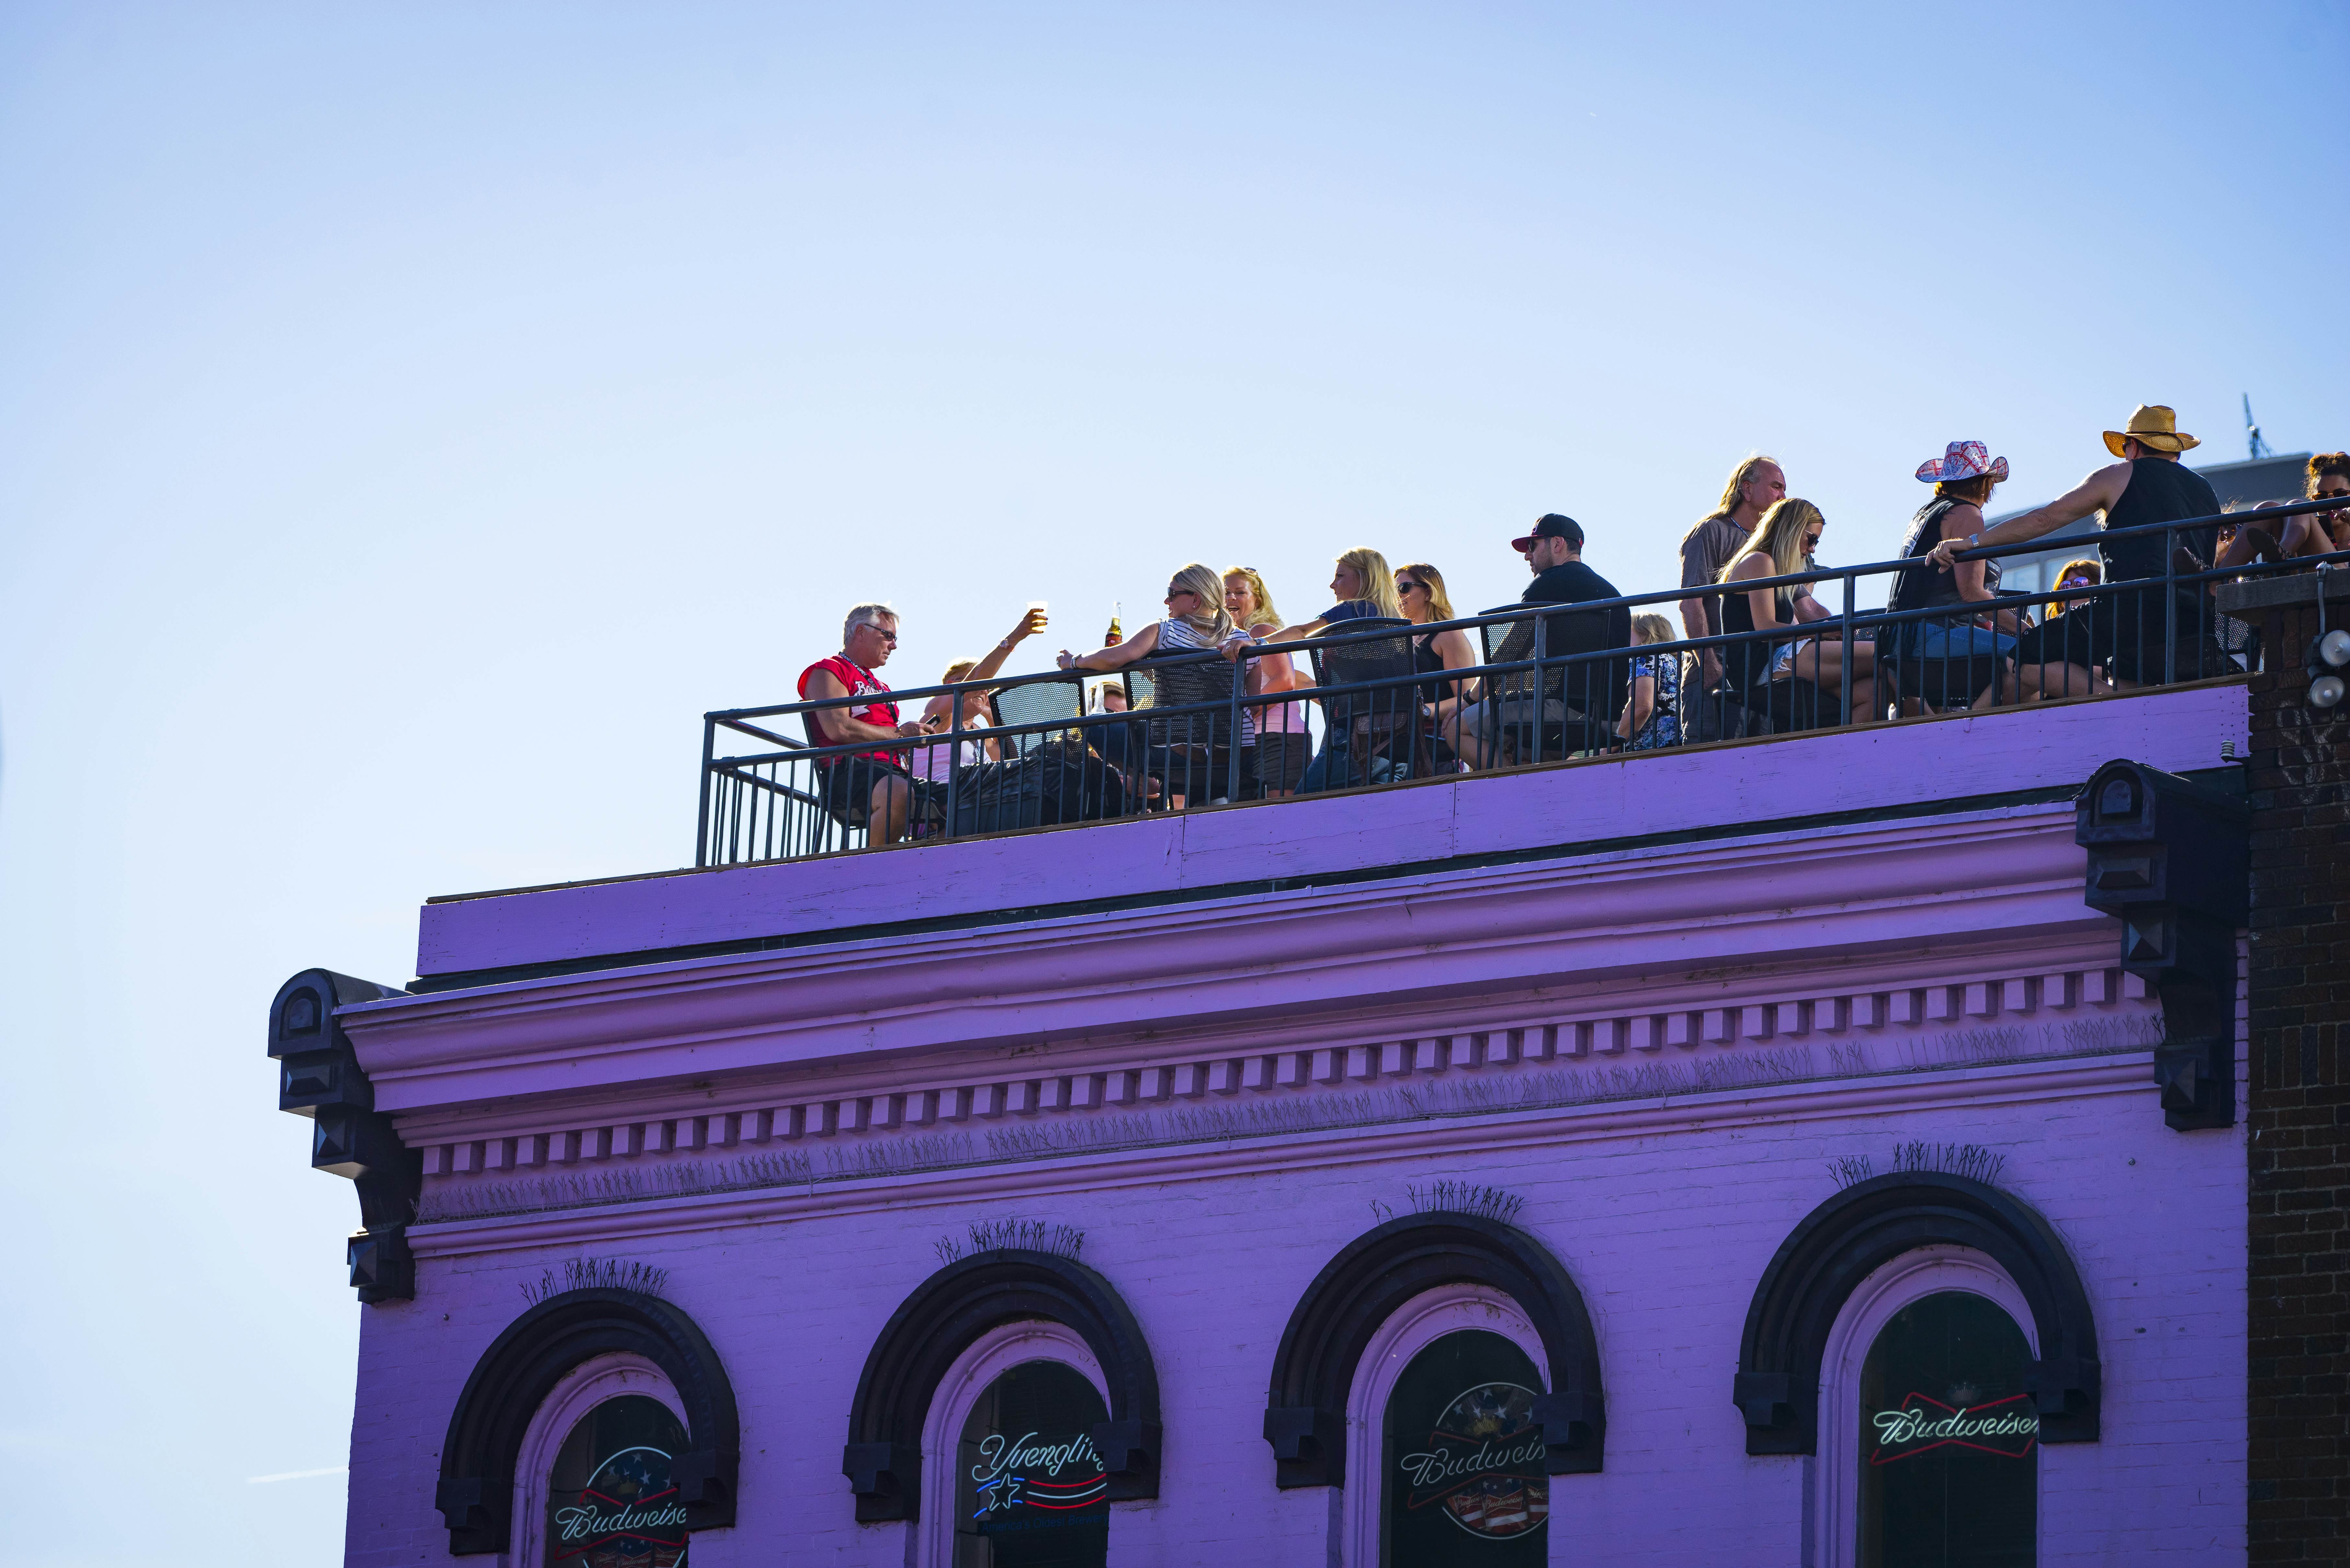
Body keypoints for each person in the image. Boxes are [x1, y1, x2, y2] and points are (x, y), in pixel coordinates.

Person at [1926, 404, 2225, 695]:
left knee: (2025, 657)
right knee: (2129, 676)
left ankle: (2117, 703)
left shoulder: (2122, 474)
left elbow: (2045, 519)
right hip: (2195, 617)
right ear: (2175, 450)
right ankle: (2135, 707)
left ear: (2132, 447)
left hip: (2131, 607)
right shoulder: (2206, 492)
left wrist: (1972, 543)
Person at [1059, 563, 1259, 806]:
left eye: (1172, 594)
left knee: (1094, 723)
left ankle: (1142, 779)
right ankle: (1208, 801)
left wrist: (1074, 662)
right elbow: (1254, 705)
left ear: (1195, 600)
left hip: (1178, 757)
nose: (1167, 602)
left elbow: (1114, 657)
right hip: (1237, 758)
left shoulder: (1164, 631)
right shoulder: (1244, 640)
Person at [1448, 514, 1631, 768]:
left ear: (1557, 544)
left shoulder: (1545, 586)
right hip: (1610, 719)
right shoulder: (1613, 594)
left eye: (1533, 546)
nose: (1527, 556)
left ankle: (1513, 792)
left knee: (1456, 729)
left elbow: (1508, 657)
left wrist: (1469, 700)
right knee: (1530, 752)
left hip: (1564, 712)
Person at [1883, 441, 2019, 711]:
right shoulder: (1968, 513)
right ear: (1985, 483)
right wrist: (2029, 632)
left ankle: (1960, 727)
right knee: (2033, 658)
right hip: (1931, 635)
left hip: (1899, 639)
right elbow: (1972, 594)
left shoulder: (1926, 514)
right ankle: (1968, 729)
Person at [1719, 498, 1878, 727]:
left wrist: (1832, 631)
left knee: (1875, 692)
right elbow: (1765, 628)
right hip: (1759, 665)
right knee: (1880, 655)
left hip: (1781, 653)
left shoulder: (1782, 570)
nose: (1812, 548)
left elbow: (1811, 609)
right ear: (1792, 530)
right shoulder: (1760, 561)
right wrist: (1818, 633)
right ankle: (1935, 720)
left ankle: (1841, 757)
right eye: (1812, 539)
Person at [798, 603, 936, 843]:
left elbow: (892, 736)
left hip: (892, 771)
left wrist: (909, 740)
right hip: (848, 768)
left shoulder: (883, 688)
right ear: (861, 632)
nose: (893, 645)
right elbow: (838, 727)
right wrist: (900, 734)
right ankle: (875, 869)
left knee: (954, 800)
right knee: (899, 792)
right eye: (888, 636)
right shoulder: (828, 670)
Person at [1677, 455, 1787, 740]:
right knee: (1710, 771)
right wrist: (1712, 668)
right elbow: (1691, 603)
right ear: (1747, 489)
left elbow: (1805, 605)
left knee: (1762, 773)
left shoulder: (1774, 546)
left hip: (1763, 677)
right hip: (1716, 676)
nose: (1783, 496)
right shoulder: (1711, 532)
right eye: (1776, 487)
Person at [910, 607, 1050, 783]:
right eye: (981, 685)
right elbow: (975, 679)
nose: (984, 690)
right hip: (943, 794)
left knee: (1040, 771)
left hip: (977, 796)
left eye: (988, 688)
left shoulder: (978, 732)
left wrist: (992, 716)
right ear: (952, 684)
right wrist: (1014, 638)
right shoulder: (940, 710)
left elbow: (1010, 761)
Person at [1224, 567, 1311, 796]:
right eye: (1226, 592)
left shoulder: (1260, 631)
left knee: (1280, 817)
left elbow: (1285, 680)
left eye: (1240, 592)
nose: (1231, 598)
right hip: (1261, 738)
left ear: (1258, 601)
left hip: (1279, 737)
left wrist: (1244, 711)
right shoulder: (1236, 637)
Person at [1395, 562, 1481, 762]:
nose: (1398, 596)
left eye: (1404, 588)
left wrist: (1423, 711)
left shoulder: (1448, 635)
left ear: (1428, 592)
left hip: (1438, 745)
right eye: (1394, 590)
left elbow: (1469, 698)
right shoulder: (1398, 641)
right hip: (1399, 743)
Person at [1615, 613, 1682, 750]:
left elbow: (1642, 707)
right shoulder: (1676, 664)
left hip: (1650, 750)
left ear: (1646, 634)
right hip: (1676, 743)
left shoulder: (1646, 657)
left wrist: (1609, 747)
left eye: (1629, 632)